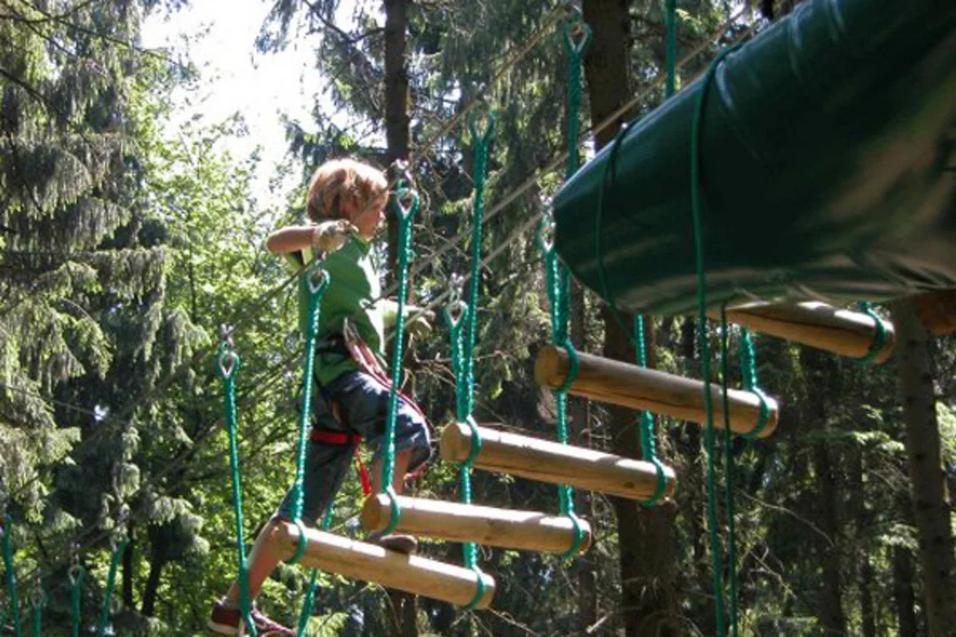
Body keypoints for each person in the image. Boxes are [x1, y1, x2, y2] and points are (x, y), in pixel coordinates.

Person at [209, 158, 433, 636]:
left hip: (339, 392)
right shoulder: (327, 244)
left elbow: (369, 310)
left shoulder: (362, 258)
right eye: (378, 206)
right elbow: (276, 242)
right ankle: (382, 521)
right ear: (350, 201)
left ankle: (233, 606)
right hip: (340, 374)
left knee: (305, 505)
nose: (382, 216)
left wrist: (407, 313)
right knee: (404, 425)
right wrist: (319, 235)